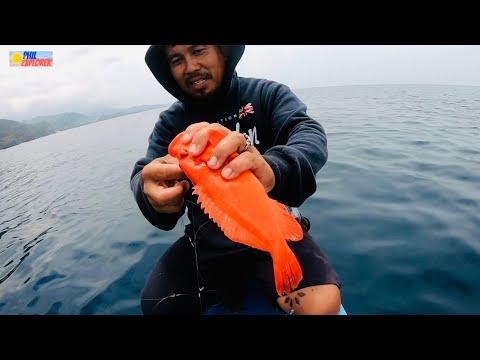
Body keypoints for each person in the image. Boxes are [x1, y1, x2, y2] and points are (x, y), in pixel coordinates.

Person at [130, 45, 341, 315]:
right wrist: (150, 195)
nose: (191, 66)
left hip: (271, 228)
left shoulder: (267, 94)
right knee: (156, 306)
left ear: (224, 52)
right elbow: (145, 171)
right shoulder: (171, 123)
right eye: (176, 59)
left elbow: (308, 133)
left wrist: (273, 167)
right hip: (207, 242)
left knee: (322, 305)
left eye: (198, 50)